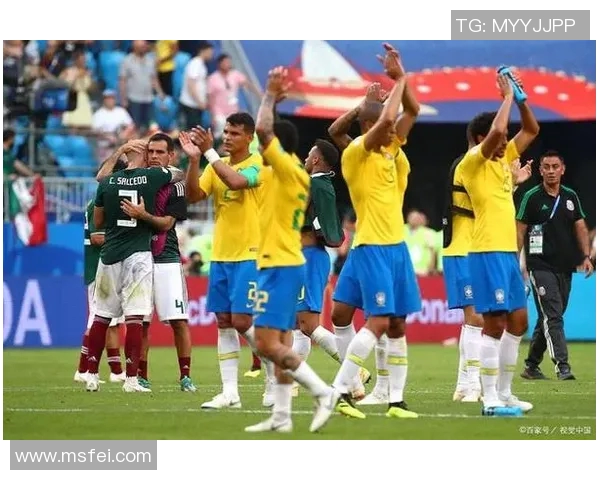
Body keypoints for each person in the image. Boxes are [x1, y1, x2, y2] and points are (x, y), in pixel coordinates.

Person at [244, 66, 339, 433]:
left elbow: (263, 130)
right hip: (279, 260)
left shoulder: (288, 170)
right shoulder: (277, 173)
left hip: (282, 264)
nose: (259, 148)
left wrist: (268, 95)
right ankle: (282, 416)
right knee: (283, 339)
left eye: (264, 146)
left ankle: (322, 392)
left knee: (268, 343)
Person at [329, 43, 422, 419]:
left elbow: (411, 111)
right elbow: (385, 123)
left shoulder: (391, 149)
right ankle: (339, 391)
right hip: (372, 246)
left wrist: (402, 78)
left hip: (395, 246)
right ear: (370, 126)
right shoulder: (356, 152)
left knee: (396, 323)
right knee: (379, 320)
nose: (394, 127)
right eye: (386, 121)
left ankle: (395, 400)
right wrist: (397, 81)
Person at [461, 69, 539, 413]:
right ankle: (489, 397)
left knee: (519, 322)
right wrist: (505, 97)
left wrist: (521, 99)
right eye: (501, 136)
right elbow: (497, 132)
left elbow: (532, 130)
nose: (506, 141)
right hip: (487, 251)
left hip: (507, 253)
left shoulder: (503, 161)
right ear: (481, 138)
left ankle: (505, 394)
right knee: (493, 324)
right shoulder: (472, 162)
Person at [185, 113, 275, 409]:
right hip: (221, 255)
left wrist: (209, 153)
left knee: (242, 321)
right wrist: (195, 160)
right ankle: (230, 393)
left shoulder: (259, 164)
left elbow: (236, 182)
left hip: (251, 254)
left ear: (249, 137)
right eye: (225, 132)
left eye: (234, 133)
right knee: (224, 322)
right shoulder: (216, 164)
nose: (227, 137)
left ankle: (274, 370)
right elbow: (193, 195)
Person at [442, 121, 533, 403]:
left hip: (476, 247)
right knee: (476, 319)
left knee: (479, 320)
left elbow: (492, 202)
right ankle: (472, 385)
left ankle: (467, 385)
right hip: (465, 247)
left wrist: (511, 183)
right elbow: (480, 205)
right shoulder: (468, 164)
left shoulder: (489, 167)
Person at [84, 141, 183, 393]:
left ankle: (92, 375)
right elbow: (178, 174)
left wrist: (120, 150)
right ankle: (130, 380)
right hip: (138, 256)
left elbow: (98, 221)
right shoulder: (152, 177)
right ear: (143, 155)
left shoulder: (108, 181)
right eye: (148, 152)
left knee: (101, 317)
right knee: (135, 318)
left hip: (109, 256)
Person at [118, 132, 197, 392]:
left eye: (160, 152)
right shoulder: (135, 179)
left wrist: (142, 215)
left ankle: (185, 376)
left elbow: (166, 224)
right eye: (150, 151)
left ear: (170, 156)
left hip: (166, 259)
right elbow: (102, 179)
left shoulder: (176, 185)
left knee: (178, 320)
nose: (153, 156)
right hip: (138, 257)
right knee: (140, 321)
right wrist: (121, 150)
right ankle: (141, 376)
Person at [516, 150, 594, 381]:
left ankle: (531, 365)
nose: (551, 171)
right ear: (540, 171)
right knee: (553, 316)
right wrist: (513, 261)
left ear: (562, 169)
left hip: (565, 266)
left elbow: (580, 226)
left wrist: (586, 256)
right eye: (546, 167)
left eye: (555, 167)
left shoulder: (570, 197)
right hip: (539, 265)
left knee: (551, 315)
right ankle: (562, 366)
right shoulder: (531, 197)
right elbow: (519, 230)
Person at [290, 139, 345, 393]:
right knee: (297, 327)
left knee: (308, 326)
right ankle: (291, 383)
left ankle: (354, 372)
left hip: (310, 258)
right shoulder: (321, 185)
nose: (305, 159)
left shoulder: (314, 184)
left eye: (308, 155)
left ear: (315, 160)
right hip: (306, 256)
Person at [74, 159, 127, 384]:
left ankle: (116, 371)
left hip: (110, 268)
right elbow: (97, 239)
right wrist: (127, 239)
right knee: (98, 320)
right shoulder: (98, 203)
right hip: (99, 268)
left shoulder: (109, 201)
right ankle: (83, 369)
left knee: (112, 322)